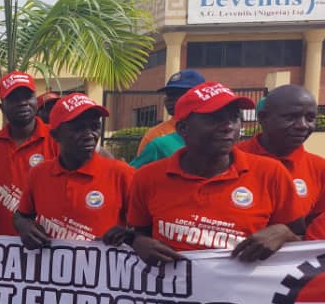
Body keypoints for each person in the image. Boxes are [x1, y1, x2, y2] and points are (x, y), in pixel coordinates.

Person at [126, 82, 303, 264]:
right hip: (170, 290)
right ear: (183, 129)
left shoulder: (270, 173)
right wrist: (138, 242)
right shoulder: (147, 177)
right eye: (214, 119)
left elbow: (300, 238)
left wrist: (283, 233)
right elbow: (140, 232)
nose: (228, 126)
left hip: (243, 291)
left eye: (234, 118)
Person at [14, 94, 134, 247]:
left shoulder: (122, 174)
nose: (89, 135)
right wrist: (24, 226)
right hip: (50, 269)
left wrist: (129, 236)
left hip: (103, 269)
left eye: (95, 126)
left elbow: (145, 228)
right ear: (55, 135)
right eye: (78, 128)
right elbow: (22, 216)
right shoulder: (38, 174)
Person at [0, 72, 58, 235]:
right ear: (2, 107)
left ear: (36, 102)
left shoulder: (58, 139)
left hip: (48, 247)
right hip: (0, 249)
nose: (22, 102)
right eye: (14, 98)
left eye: (27, 96)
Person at [235, 84, 325, 219]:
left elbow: (316, 224)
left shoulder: (319, 168)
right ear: (263, 118)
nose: (303, 125)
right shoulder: (231, 158)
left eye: (310, 118)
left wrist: (287, 233)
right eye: (291, 117)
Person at [134, 70, 207, 158]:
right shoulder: (155, 135)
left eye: (179, 94)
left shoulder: (216, 130)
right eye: (169, 95)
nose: (169, 99)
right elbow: (139, 171)